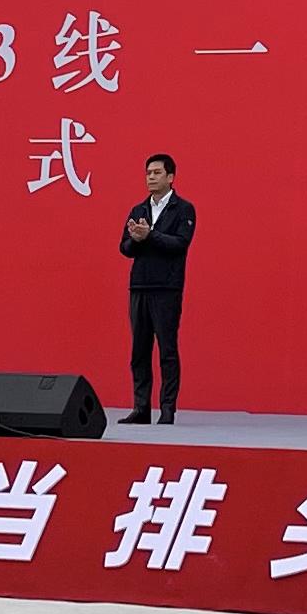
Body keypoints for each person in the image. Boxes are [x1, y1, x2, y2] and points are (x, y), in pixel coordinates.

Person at [120, 152, 195, 425]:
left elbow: (180, 244)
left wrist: (150, 235)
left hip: (166, 288)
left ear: (170, 177)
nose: (151, 178)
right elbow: (125, 248)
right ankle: (141, 408)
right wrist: (137, 239)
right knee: (139, 351)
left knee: (167, 350)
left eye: (157, 173)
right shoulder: (138, 210)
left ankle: (167, 408)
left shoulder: (183, 209)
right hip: (140, 286)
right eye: (148, 173)